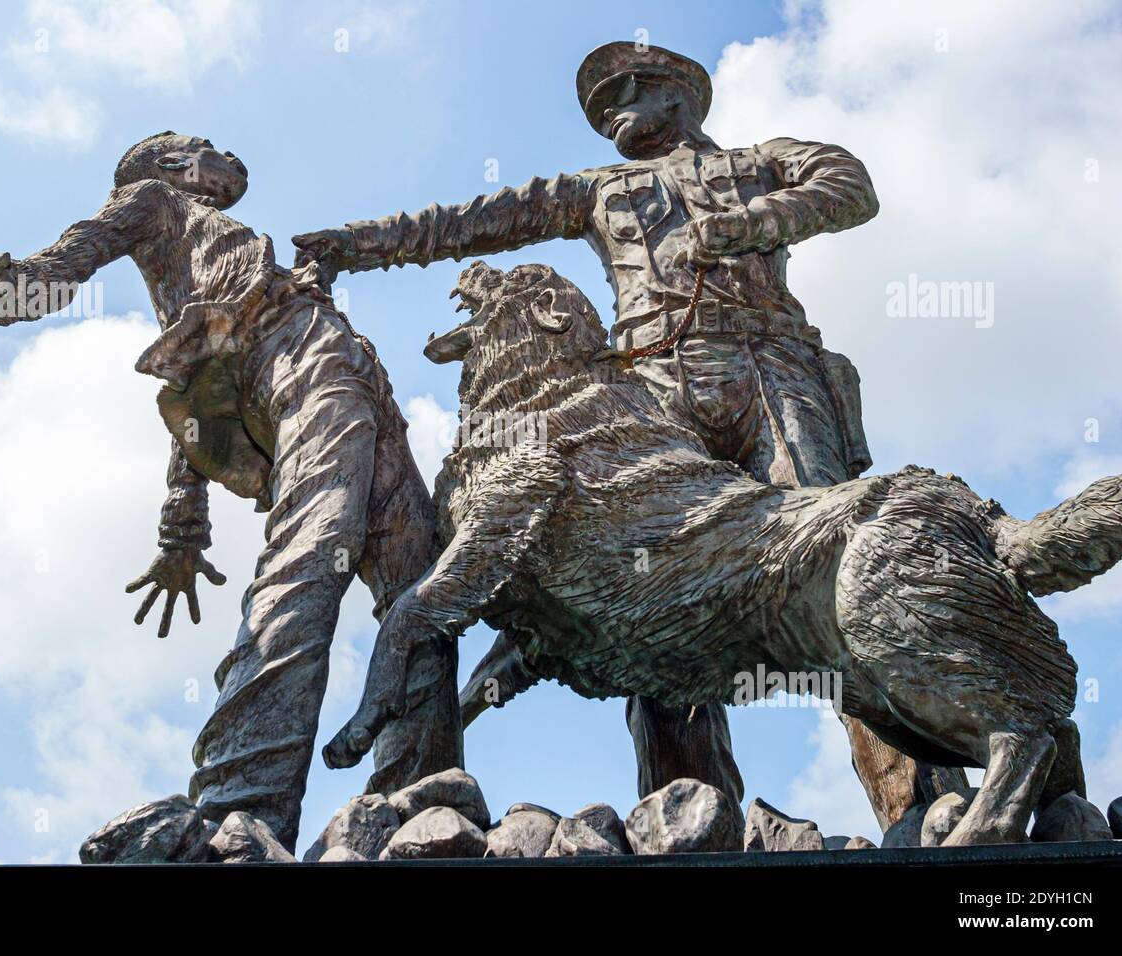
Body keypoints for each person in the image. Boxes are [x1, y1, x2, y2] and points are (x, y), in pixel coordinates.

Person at [293, 43, 964, 828]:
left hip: (772, 372)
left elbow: (849, 186)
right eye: (602, 100)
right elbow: (468, 223)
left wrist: (751, 221)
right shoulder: (595, 190)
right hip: (655, 390)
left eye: (628, 89)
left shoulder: (764, 161)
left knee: (840, 562)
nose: (611, 107)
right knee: (655, 586)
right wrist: (353, 244)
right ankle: (689, 819)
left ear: (679, 94)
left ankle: (928, 805)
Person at [0, 132, 463, 851]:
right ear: (172, 166)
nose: (230, 156)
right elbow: (73, 258)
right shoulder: (152, 199)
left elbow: (195, 391)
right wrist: (0, 293)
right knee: (316, 548)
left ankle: (421, 803)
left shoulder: (205, 262)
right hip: (299, 359)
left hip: (348, 370)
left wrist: (183, 525)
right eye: (208, 146)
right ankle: (241, 809)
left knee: (424, 588)